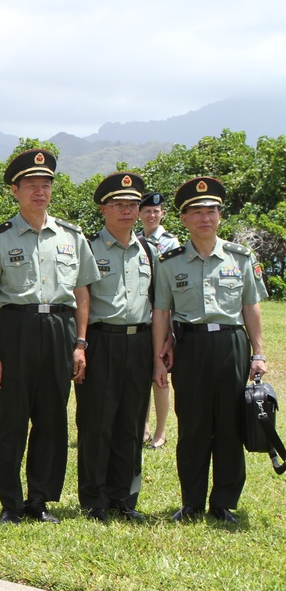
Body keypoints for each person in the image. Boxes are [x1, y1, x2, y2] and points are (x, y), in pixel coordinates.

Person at [0, 149, 99, 524]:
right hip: (17, 327)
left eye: (45, 184)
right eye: (31, 184)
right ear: (15, 190)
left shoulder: (72, 236)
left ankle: (39, 500)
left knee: (52, 418)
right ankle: (11, 503)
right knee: (12, 419)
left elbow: (82, 293)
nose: (40, 191)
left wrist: (80, 343)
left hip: (60, 329)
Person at [152, 176, 268, 524]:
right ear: (184, 219)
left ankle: (224, 502)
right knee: (193, 423)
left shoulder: (241, 257)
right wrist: (159, 356)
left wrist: (259, 353)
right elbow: (161, 312)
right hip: (190, 345)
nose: (205, 218)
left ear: (220, 216)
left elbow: (251, 307)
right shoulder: (169, 261)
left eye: (212, 211)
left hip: (231, 343)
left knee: (230, 423)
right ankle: (191, 502)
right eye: (197, 212)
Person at [75, 172, 155, 523]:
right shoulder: (89, 249)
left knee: (131, 421)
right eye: (119, 205)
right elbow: (82, 299)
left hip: (140, 342)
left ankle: (125, 497)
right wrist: (80, 345)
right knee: (97, 421)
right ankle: (94, 499)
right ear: (104, 209)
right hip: (101, 340)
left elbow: (158, 303)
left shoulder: (150, 251)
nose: (127, 211)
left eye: (133, 205)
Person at [138, 191, 178, 449]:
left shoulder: (171, 243)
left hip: (163, 317)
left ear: (162, 213)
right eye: (147, 211)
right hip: (142, 316)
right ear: (140, 214)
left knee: (160, 376)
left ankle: (161, 431)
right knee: (141, 374)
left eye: (156, 211)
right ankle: (142, 427)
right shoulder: (135, 240)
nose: (152, 215)